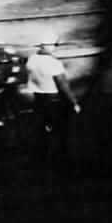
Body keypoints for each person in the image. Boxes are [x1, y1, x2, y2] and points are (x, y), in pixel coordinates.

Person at [25, 35, 80, 171]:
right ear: (46, 46)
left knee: (42, 129)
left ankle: (41, 159)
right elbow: (63, 85)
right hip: (53, 98)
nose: (55, 47)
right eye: (54, 45)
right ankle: (62, 159)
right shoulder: (54, 63)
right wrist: (74, 102)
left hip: (38, 98)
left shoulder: (31, 60)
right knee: (60, 130)